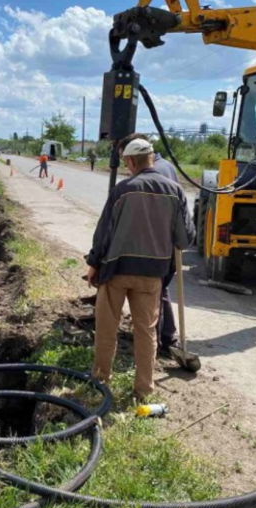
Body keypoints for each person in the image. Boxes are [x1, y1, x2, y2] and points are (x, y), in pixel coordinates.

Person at [86, 137, 194, 402]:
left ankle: (100, 381)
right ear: (152, 158)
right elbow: (185, 239)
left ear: (131, 161)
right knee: (146, 331)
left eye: (126, 164)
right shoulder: (175, 190)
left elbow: (103, 232)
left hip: (117, 269)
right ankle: (144, 391)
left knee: (107, 327)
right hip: (152, 274)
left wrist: (93, 263)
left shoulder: (123, 190)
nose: (126, 168)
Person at [119, 133, 186, 353]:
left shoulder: (152, 174)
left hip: (155, 247)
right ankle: (168, 337)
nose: (127, 168)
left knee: (153, 296)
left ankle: (156, 343)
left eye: (126, 161)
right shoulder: (167, 166)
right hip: (166, 247)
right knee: (161, 291)